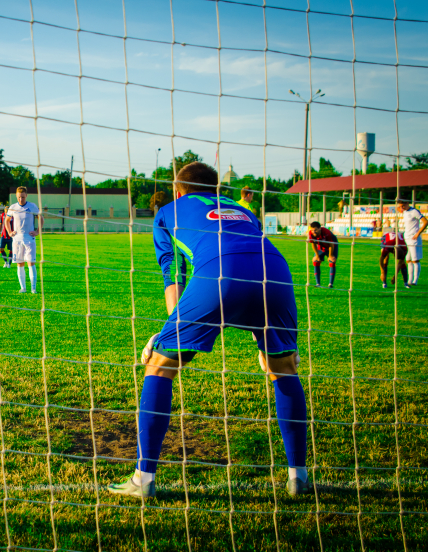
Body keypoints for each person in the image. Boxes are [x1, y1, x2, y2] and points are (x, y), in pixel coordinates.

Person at [107, 162, 308, 498]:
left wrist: (168, 332)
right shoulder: (244, 211)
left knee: (160, 367)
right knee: (283, 370)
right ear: (216, 190)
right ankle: (297, 477)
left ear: (177, 189)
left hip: (220, 275)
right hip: (276, 274)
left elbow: (174, 277)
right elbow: (250, 252)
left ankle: (143, 480)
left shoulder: (167, 212)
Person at [5, 187, 43, 294]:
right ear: (16, 196)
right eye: (19, 197)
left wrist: (37, 231)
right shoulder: (13, 207)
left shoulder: (32, 206)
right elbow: (7, 220)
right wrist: (9, 232)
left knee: (31, 263)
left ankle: (33, 288)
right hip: (17, 239)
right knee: (20, 264)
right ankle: (23, 288)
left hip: (29, 239)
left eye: (22, 197)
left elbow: (41, 218)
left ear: (26, 195)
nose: (21, 199)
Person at [397, 198, 428, 286]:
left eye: (403, 205)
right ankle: (410, 280)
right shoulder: (405, 212)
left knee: (415, 260)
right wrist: (399, 205)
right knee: (408, 260)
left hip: (414, 238)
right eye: (400, 206)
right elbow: (398, 209)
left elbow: (426, 222)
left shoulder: (414, 211)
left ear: (407, 203)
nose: (401, 208)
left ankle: (415, 280)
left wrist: (418, 233)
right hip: (406, 238)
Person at [307, 221, 339, 288]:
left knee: (332, 262)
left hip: (332, 246)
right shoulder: (311, 233)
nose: (314, 231)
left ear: (319, 229)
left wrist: (330, 256)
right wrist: (317, 255)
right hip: (321, 246)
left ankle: (330, 284)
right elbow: (313, 244)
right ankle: (318, 284)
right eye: (312, 230)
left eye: (315, 230)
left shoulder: (326, 232)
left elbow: (331, 245)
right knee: (315, 261)